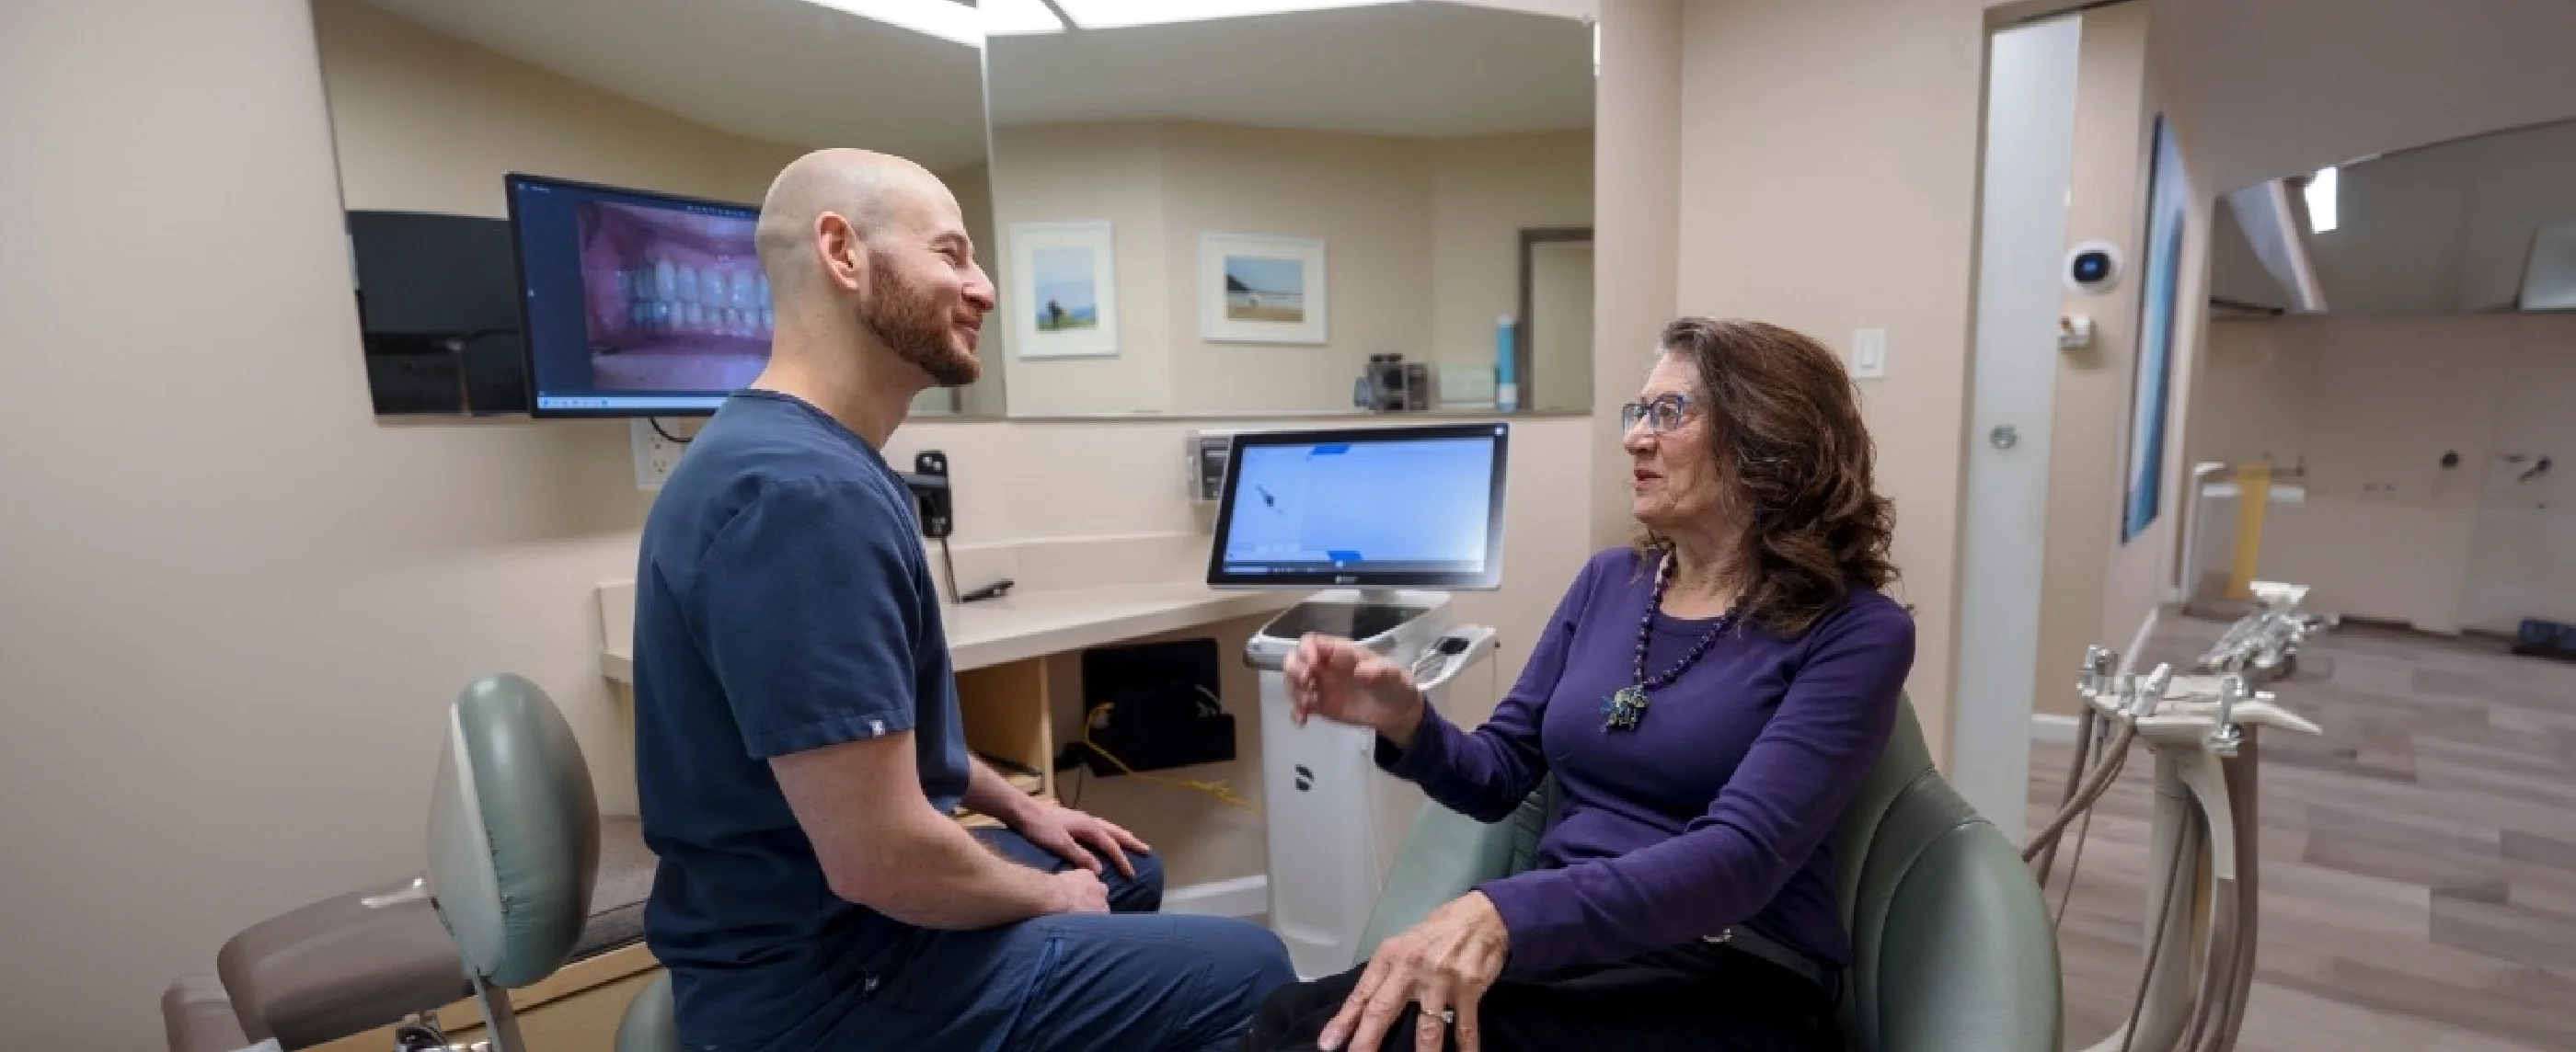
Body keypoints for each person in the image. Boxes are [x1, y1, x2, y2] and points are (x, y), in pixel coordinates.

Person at [631, 148, 1295, 1052]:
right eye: (952, 254)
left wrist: (1023, 808)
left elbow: (869, 742)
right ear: (842, 251)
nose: (983, 287)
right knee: (1249, 978)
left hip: (829, 928)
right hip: (822, 987)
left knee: (1119, 866)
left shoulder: (794, 461)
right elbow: (881, 857)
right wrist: (1047, 895)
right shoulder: (802, 499)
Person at [1239, 318, 1915, 1052]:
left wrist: (1503, 913)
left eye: (1669, 412)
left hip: (1731, 974)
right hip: (1567, 950)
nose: (1634, 437)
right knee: (1288, 1018)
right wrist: (1406, 721)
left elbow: (1742, 859)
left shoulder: (1856, 631)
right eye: (1638, 412)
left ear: (1766, 438)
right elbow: (1498, 775)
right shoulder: (1608, 583)